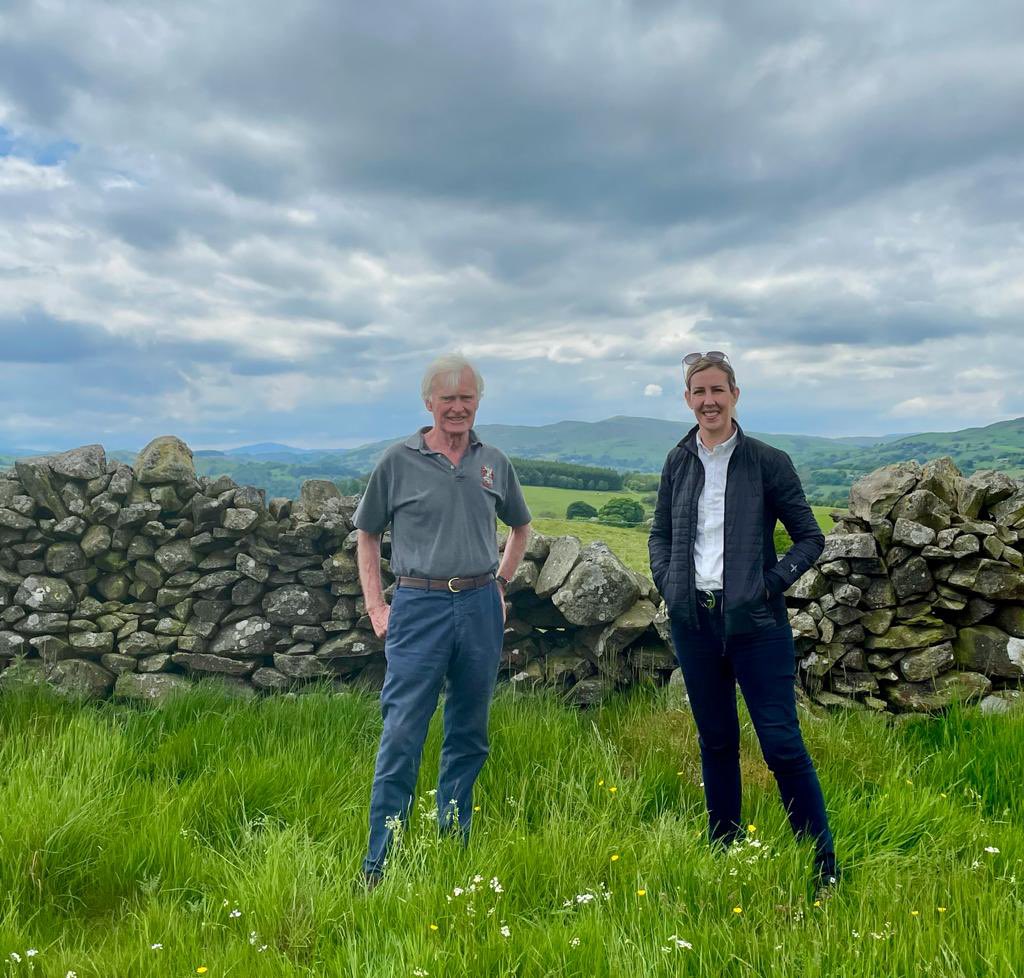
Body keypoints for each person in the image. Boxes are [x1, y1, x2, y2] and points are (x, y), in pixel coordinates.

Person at [648, 351, 838, 899]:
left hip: (757, 626)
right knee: (716, 741)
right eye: (698, 392)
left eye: (718, 390)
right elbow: (660, 535)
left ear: (735, 394)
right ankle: (724, 846)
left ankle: (822, 863)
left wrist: (766, 586)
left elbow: (811, 537)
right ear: (688, 399)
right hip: (694, 624)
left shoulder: (767, 461)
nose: (709, 401)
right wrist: (670, 583)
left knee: (781, 744)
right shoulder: (677, 461)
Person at [355, 353, 532, 888]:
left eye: (467, 398)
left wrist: (500, 583)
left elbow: (520, 528)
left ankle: (452, 846)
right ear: (428, 402)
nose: (457, 408)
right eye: (447, 398)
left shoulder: (493, 462)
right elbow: (367, 534)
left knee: (469, 733)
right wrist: (376, 607)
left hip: (479, 605)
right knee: (403, 732)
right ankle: (380, 865)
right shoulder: (397, 461)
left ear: (478, 402)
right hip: (418, 606)